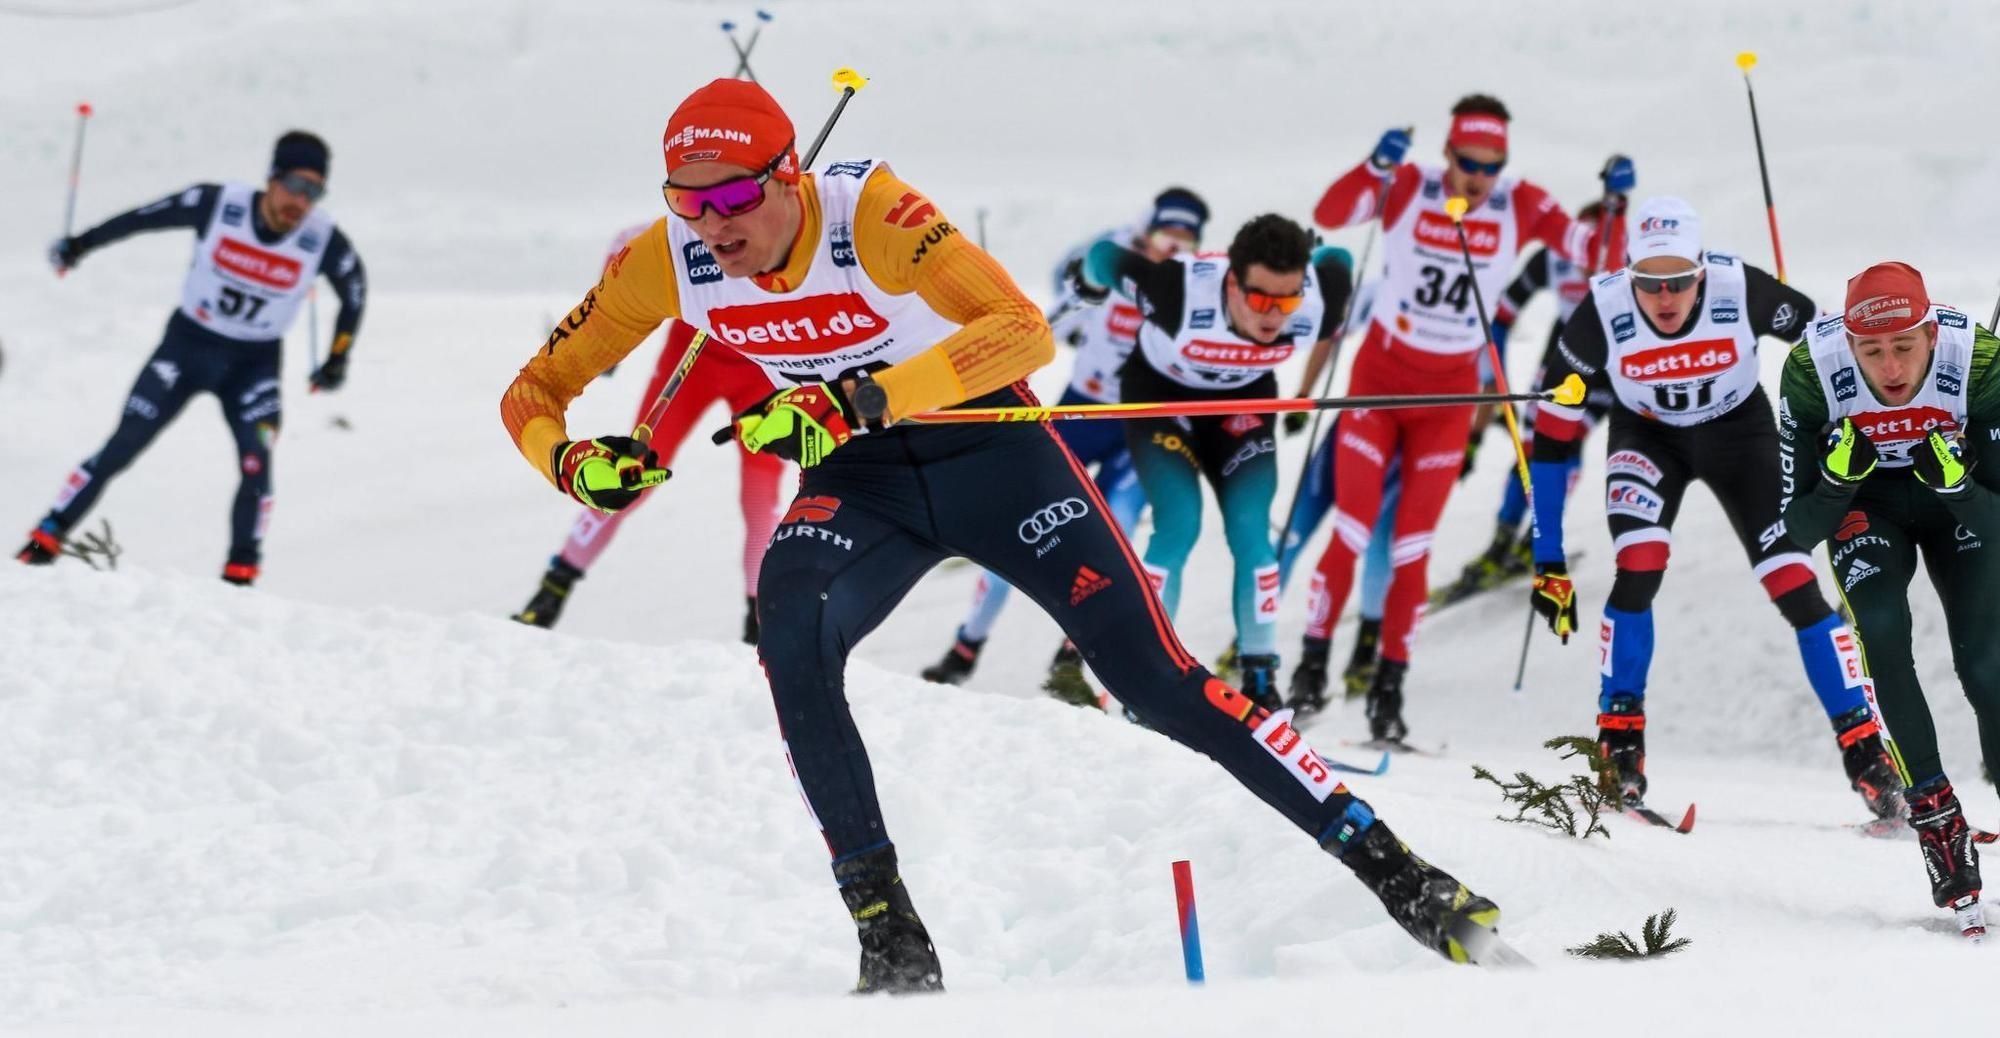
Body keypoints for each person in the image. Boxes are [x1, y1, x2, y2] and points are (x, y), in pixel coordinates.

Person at [499, 78, 1507, 991]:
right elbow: (534, 391)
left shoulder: (872, 217)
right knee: (790, 625)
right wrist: (572, 462)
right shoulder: (664, 261)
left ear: (789, 176)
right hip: (862, 483)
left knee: (1152, 680)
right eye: (687, 199)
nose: (710, 226)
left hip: (993, 454)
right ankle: (887, 930)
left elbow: (1017, 328)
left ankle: (1395, 871)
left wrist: (862, 396)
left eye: (730, 199)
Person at [1525, 197, 1899, 820]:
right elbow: (1551, 440)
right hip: (1648, 438)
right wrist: (1548, 562)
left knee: (1792, 581)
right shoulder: (1603, 309)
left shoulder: (1739, 286)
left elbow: (1829, 339)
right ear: (1629, 275)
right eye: (1649, 282)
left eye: (1679, 280)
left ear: (1701, 270)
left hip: (1739, 436)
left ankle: (1866, 750)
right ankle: (1620, 743)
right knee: (1640, 565)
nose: (1665, 297)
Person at [1290, 94, 1630, 738]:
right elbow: (1329, 214)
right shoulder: (1410, 185)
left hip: (1447, 402)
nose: (1478, 178)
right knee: (1354, 534)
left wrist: (1614, 209)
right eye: (1468, 162)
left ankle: (1387, 692)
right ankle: (1309, 672)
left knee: (1412, 548)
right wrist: (1373, 168)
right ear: (1446, 154)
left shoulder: (1521, 202)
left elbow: (1602, 256)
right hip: (1379, 388)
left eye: (1491, 165)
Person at [19, 131, 364, 584]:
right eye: (296, 186)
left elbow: (354, 293)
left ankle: (240, 577)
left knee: (256, 464)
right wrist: (80, 245)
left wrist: (336, 359)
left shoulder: (322, 239)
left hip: (253, 365)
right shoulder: (219, 203)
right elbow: (141, 219)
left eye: (314, 193)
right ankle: (45, 538)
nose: (301, 203)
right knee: (124, 443)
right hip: (187, 348)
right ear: (272, 179)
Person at [1777, 261, 2000, 924]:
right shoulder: (1811, 371)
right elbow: (1795, 529)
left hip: (1957, 504)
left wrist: (1959, 486)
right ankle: (1937, 820)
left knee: (1985, 666)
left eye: (1905, 346)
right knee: (1879, 629)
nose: (1892, 367)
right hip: (1866, 509)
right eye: (1872, 351)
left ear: (1931, 333)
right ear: (1849, 346)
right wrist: (1838, 482)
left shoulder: (1980, 362)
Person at [919, 189, 1206, 701]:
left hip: (1136, 427)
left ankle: (1069, 662)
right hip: (1082, 410)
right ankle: (967, 646)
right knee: (1027, 524)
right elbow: (1052, 316)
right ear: (1147, 231)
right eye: (1166, 237)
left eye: (1186, 242)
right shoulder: (1114, 259)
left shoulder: (1192, 287)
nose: (1173, 250)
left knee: (1107, 534)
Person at [1075, 215, 1353, 711]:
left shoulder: (1317, 301)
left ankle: (1261, 683)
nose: (1274, 316)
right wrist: (1089, 282)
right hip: (1162, 400)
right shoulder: (1175, 292)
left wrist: (1319, 254)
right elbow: (1103, 256)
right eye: (1261, 299)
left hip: (1240, 405)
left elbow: (1340, 262)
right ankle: (1142, 678)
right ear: (1232, 281)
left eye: (1286, 301)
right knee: (1179, 525)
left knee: (1252, 534)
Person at [512, 223, 786, 644]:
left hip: (760, 369)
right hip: (690, 362)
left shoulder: (780, 219)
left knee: (760, 495)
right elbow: (624, 247)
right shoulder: (681, 228)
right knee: (627, 474)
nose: (717, 212)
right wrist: (603, 340)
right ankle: (553, 589)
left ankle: (760, 620)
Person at [1434, 200, 1617, 605]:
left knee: (1566, 445)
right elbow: (1500, 315)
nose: (1586, 258)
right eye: (1581, 245)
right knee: (1531, 448)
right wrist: (1495, 371)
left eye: (1596, 247)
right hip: (1561, 357)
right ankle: (1502, 543)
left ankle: (1537, 534)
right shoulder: (1552, 257)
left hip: (1608, 370)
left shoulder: (1625, 263)